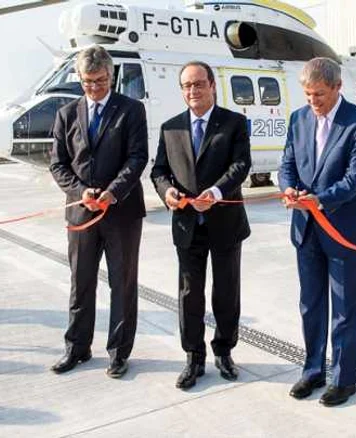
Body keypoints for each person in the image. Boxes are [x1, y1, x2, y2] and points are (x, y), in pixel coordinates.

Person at [279, 57, 356, 406]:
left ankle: (343, 379)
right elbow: (287, 164)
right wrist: (289, 189)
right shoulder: (298, 119)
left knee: (346, 307)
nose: (312, 101)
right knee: (311, 304)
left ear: (338, 87)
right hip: (305, 229)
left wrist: (318, 201)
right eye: (307, 94)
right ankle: (312, 370)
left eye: (319, 94)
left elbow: (355, 180)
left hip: (343, 230)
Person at [150, 61, 251, 390]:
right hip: (187, 226)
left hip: (224, 223)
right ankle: (194, 357)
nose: (192, 91)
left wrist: (217, 192)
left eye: (198, 84)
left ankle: (224, 351)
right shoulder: (170, 128)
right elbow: (159, 172)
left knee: (226, 293)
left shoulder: (234, 123)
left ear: (212, 86)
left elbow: (240, 165)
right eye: (186, 86)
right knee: (190, 295)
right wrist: (167, 192)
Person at [49, 45, 148, 379]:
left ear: (112, 76)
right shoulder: (66, 114)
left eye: (101, 80)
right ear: (79, 79)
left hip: (121, 213)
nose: (94, 87)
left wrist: (111, 192)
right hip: (81, 213)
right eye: (88, 82)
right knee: (81, 283)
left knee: (122, 284)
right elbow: (58, 164)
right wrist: (81, 192)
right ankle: (76, 348)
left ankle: (119, 353)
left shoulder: (132, 110)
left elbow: (137, 158)